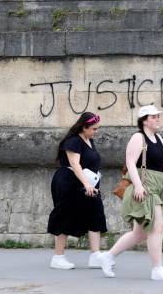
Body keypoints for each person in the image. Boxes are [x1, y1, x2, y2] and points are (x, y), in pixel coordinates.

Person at [100, 105, 163, 281]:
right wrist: (139, 186)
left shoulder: (159, 138)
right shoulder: (138, 137)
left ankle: (107, 257)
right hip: (144, 187)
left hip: (155, 186)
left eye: (158, 116)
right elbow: (130, 162)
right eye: (154, 117)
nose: (157, 119)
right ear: (144, 120)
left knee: (139, 233)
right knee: (157, 226)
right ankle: (157, 269)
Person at [47, 112, 108, 269]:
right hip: (70, 182)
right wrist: (86, 183)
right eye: (94, 128)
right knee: (64, 215)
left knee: (96, 214)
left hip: (88, 182)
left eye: (97, 128)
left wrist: (90, 183)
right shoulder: (73, 141)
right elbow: (75, 164)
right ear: (84, 127)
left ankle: (95, 255)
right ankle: (58, 257)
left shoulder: (89, 140)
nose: (96, 131)